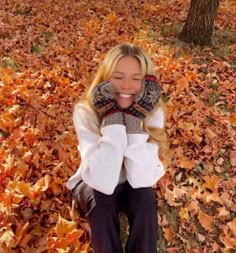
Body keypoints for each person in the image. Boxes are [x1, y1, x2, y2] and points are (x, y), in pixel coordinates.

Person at [66, 43, 169, 253]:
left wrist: (133, 122)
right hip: (93, 182)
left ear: (147, 83)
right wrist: (112, 121)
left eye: (136, 78)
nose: (126, 86)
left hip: (131, 183)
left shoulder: (153, 112)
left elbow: (141, 179)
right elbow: (102, 181)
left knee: (146, 200)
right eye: (118, 77)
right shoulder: (85, 111)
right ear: (105, 79)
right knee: (102, 201)